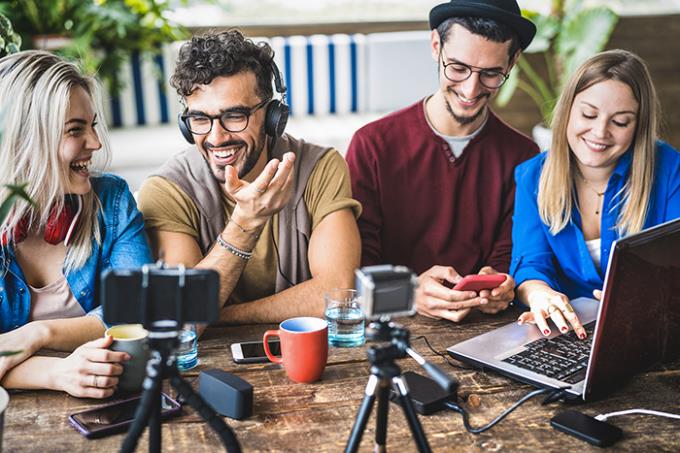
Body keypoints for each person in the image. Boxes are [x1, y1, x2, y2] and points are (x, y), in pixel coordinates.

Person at [137, 30, 361, 325]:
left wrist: (221, 315)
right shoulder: (166, 191)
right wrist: (246, 222)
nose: (216, 138)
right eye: (200, 119)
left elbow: (338, 293)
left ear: (273, 117)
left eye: (234, 116)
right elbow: (183, 319)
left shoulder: (320, 168)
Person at [345, 0, 539, 323]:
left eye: (491, 74)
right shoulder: (372, 146)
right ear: (436, 46)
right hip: (390, 328)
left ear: (513, 61)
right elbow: (354, 269)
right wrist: (409, 292)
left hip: (486, 332)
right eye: (458, 68)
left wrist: (503, 287)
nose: (470, 89)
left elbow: (514, 258)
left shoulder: (525, 157)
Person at [0, 51, 153, 397]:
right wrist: (54, 373)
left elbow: (138, 308)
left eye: (93, 125)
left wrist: (38, 333)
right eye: (75, 130)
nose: (96, 143)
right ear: (25, 140)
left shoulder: (112, 200)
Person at [511, 49, 680, 339]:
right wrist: (540, 295)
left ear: (638, 125)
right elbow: (530, 264)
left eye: (620, 121)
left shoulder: (670, 169)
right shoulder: (531, 176)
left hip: (651, 332)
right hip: (569, 333)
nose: (600, 132)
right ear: (567, 111)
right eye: (588, 114)